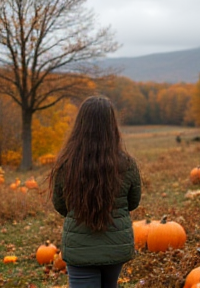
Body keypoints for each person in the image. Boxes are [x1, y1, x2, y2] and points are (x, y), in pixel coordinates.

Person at [48, 96, 141, 288]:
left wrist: (81, 211)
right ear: (111, 126)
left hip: (79, 249)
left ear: (80, 126)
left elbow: (60, 205)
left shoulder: (66, 164)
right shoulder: (127, 163)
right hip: (115, 247)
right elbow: (132, 202)